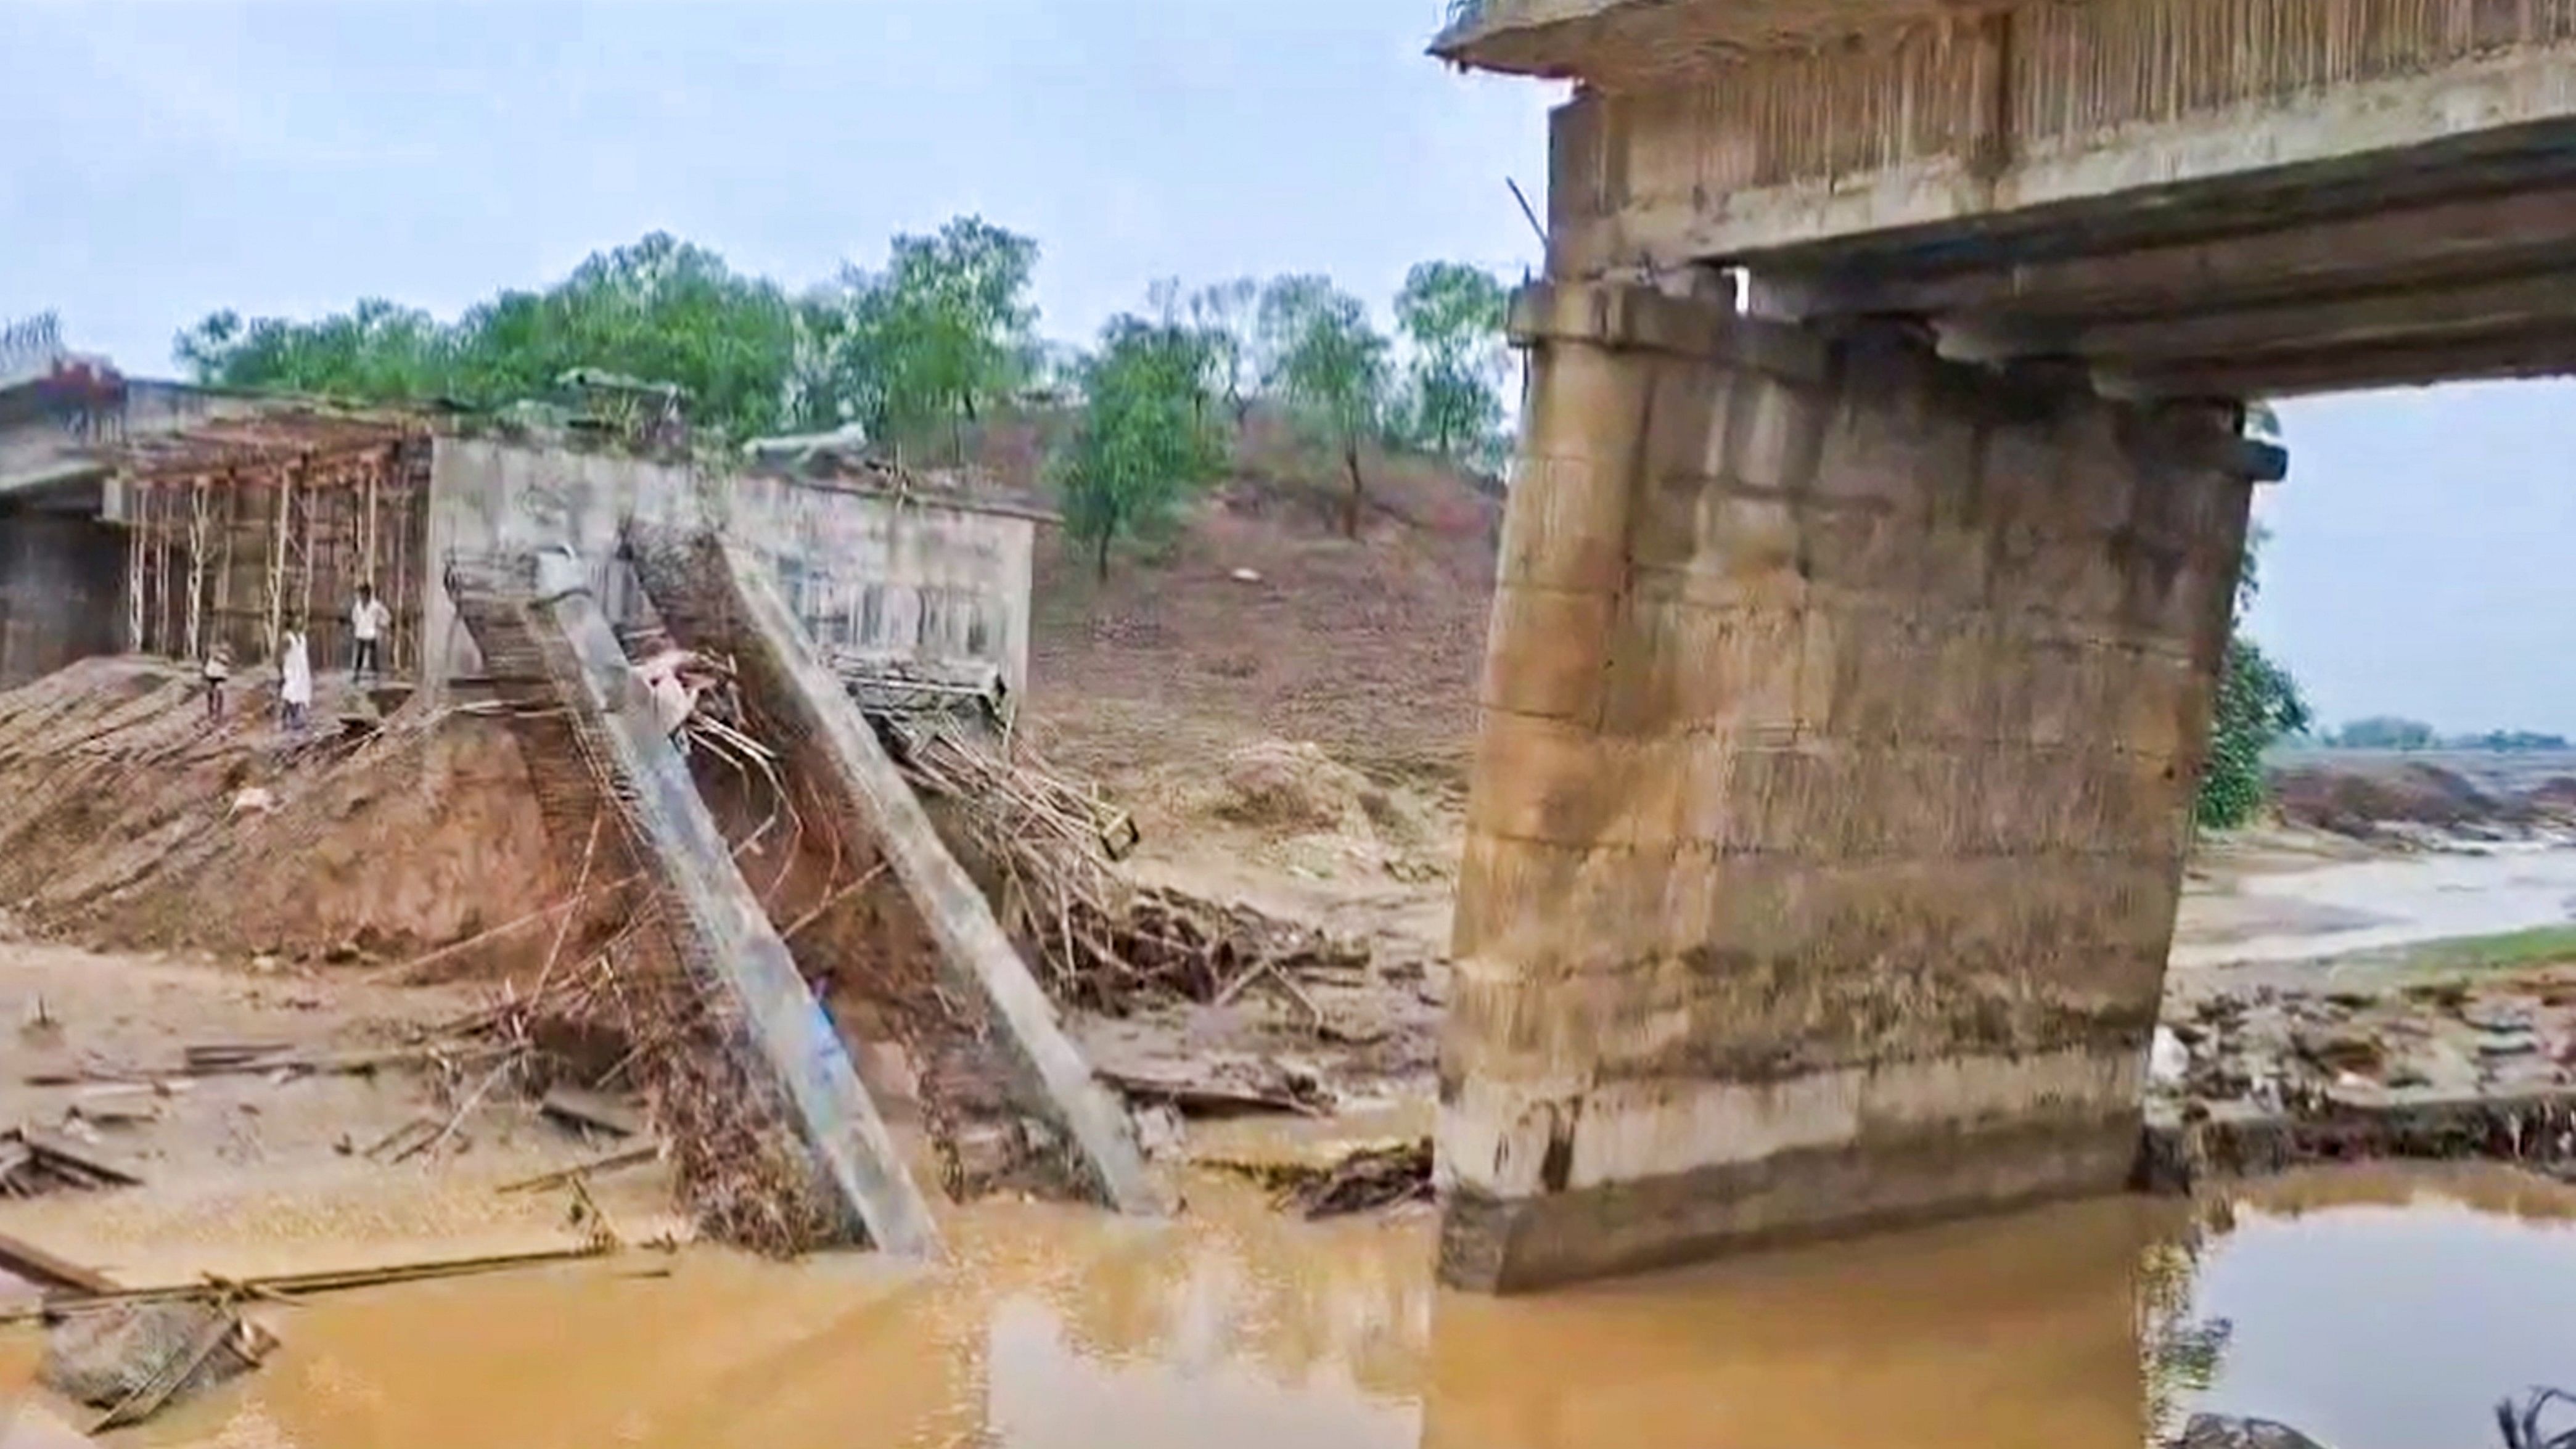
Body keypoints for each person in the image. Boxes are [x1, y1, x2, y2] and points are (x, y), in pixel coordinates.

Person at [350, 583, 392, 682]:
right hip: (360, 632)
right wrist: (357, 624)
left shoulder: (376, 606)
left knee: (373, 655)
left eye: (364, 594)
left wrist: (381, 624)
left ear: (368, 594)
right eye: (361, 594)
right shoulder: (358, 605)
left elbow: (386, 616)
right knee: (359, 654)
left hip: (371, 633)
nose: (362, 596)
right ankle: (357, 674)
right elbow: (354, 616)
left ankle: (375, 674)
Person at [279, 628, 313, 731]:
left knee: (300, 691)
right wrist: (282, 672)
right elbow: (281, 656)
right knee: (290, 692)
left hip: (301, 669)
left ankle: (292, 717)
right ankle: (289, 717)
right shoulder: (287, 638)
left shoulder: (303, 637)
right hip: (291, 669)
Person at [201, 644, 231, 723]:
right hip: (211, 677)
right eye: (212, 651)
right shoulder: (209, 659)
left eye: (214, 651)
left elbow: (227, 664)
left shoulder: (223, 657)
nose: (213, 652)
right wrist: (204, 674)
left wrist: (219, 660)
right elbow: (205, 667)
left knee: (219, 692)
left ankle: (219, 712)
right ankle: (211, 711)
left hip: (220, 677)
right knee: (210, 694)